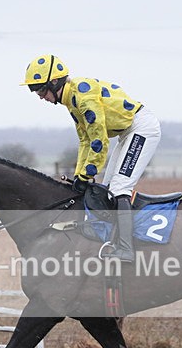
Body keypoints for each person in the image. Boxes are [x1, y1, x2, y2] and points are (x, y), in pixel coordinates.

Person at [21, 54, 161, 262]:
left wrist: (86, 175)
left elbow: (99, 141)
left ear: (55, 82)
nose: (40, 96)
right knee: (107, 188)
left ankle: (126, 249)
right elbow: (85, 142)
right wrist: (79, 176)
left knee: (119, 188)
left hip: (142, 128)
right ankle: (112, 241)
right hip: (127, 132)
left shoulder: (83, 98)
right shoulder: (72, 100)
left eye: (40, 89)